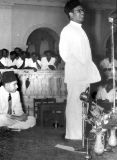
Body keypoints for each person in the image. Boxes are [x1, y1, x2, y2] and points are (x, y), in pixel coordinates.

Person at [59, 0, 101, 140]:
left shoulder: (80, 29)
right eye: (78, 11)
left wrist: (87, 69)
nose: (82, 13)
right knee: (75, 103)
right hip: (76, 74)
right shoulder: (68, 30)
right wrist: (80, 67)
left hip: (84, 74)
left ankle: (81, 133)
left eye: (82, 10)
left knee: (83, 103)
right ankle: (73, 134)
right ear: (71, 14)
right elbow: (65, 53)